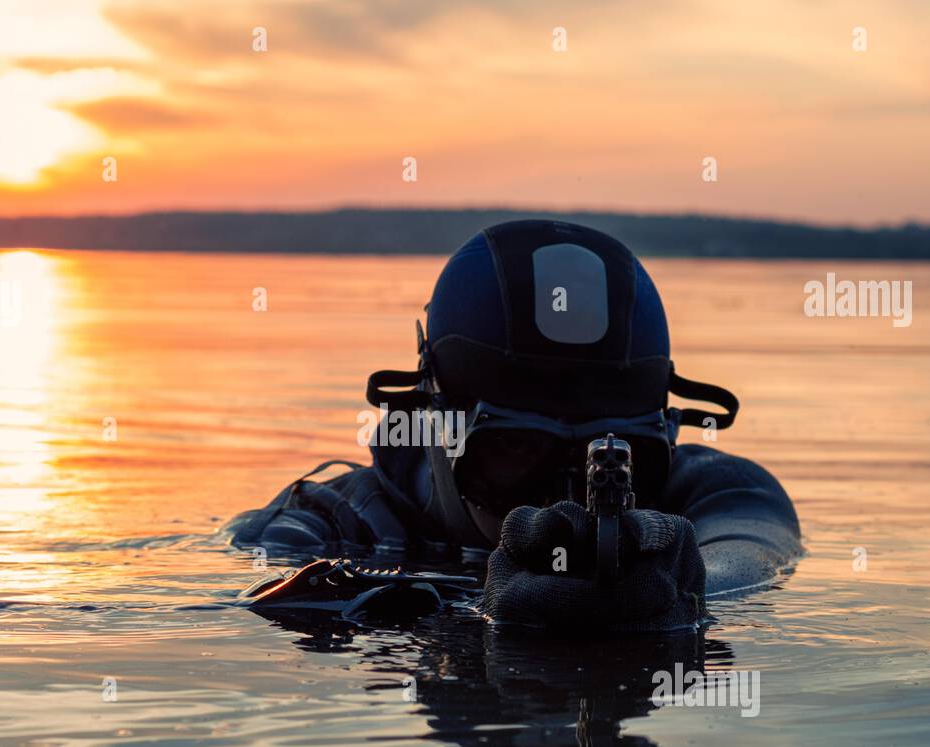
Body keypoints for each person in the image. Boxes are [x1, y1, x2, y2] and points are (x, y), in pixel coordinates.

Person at [229, 220, 800, 629]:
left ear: (667, 438)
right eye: (515, 449)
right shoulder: (332, 523)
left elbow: (750, 553)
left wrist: (678, 576)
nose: (567, 502)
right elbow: (262, 590)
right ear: (433, 423)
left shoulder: (715, 493)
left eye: (616, 453)